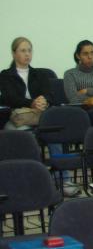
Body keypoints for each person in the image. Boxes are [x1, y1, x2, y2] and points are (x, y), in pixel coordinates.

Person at [0, 37, 80, 196]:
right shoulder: (5, 75)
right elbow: (9, 97)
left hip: (41, 116)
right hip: (17, 118)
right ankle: (30, 180)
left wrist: (44, 101)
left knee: (55, 133)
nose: (27, 54)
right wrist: (31, 103)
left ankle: (63, 180)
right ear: (13, 53)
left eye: (29, 50)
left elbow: (50, 95)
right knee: (20, 138)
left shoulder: (39, 74)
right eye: (23, 51)